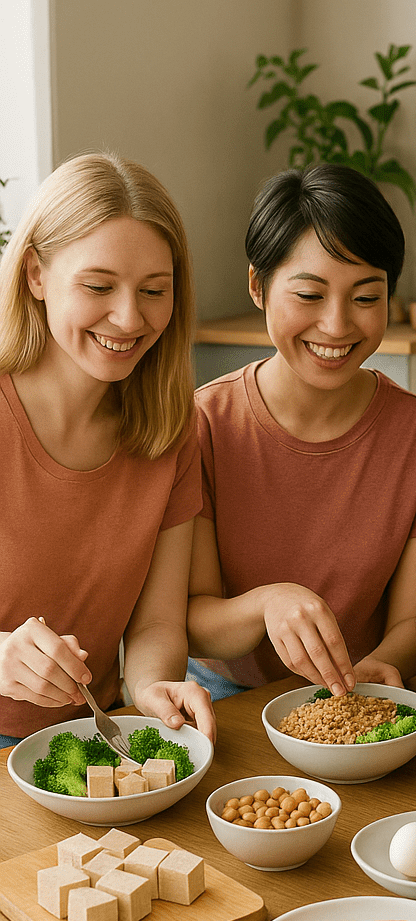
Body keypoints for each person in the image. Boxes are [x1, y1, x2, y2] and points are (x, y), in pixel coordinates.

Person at [186, 164, 416, 694]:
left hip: (361, 692)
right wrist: (267, 603)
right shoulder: (204, 425)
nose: (337, 326)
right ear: (258, 286)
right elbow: (193, 622)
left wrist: (380, 669)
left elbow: (412, 622)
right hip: (222, 697)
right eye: (310, 296)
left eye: (365, 297)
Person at [0, 152, 215, 746]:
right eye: (98, 286)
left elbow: (157, 623)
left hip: (96, 740)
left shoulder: (170, 430)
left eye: (154, 290)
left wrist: (151, 689)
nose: (128, 317)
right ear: (35, 276)